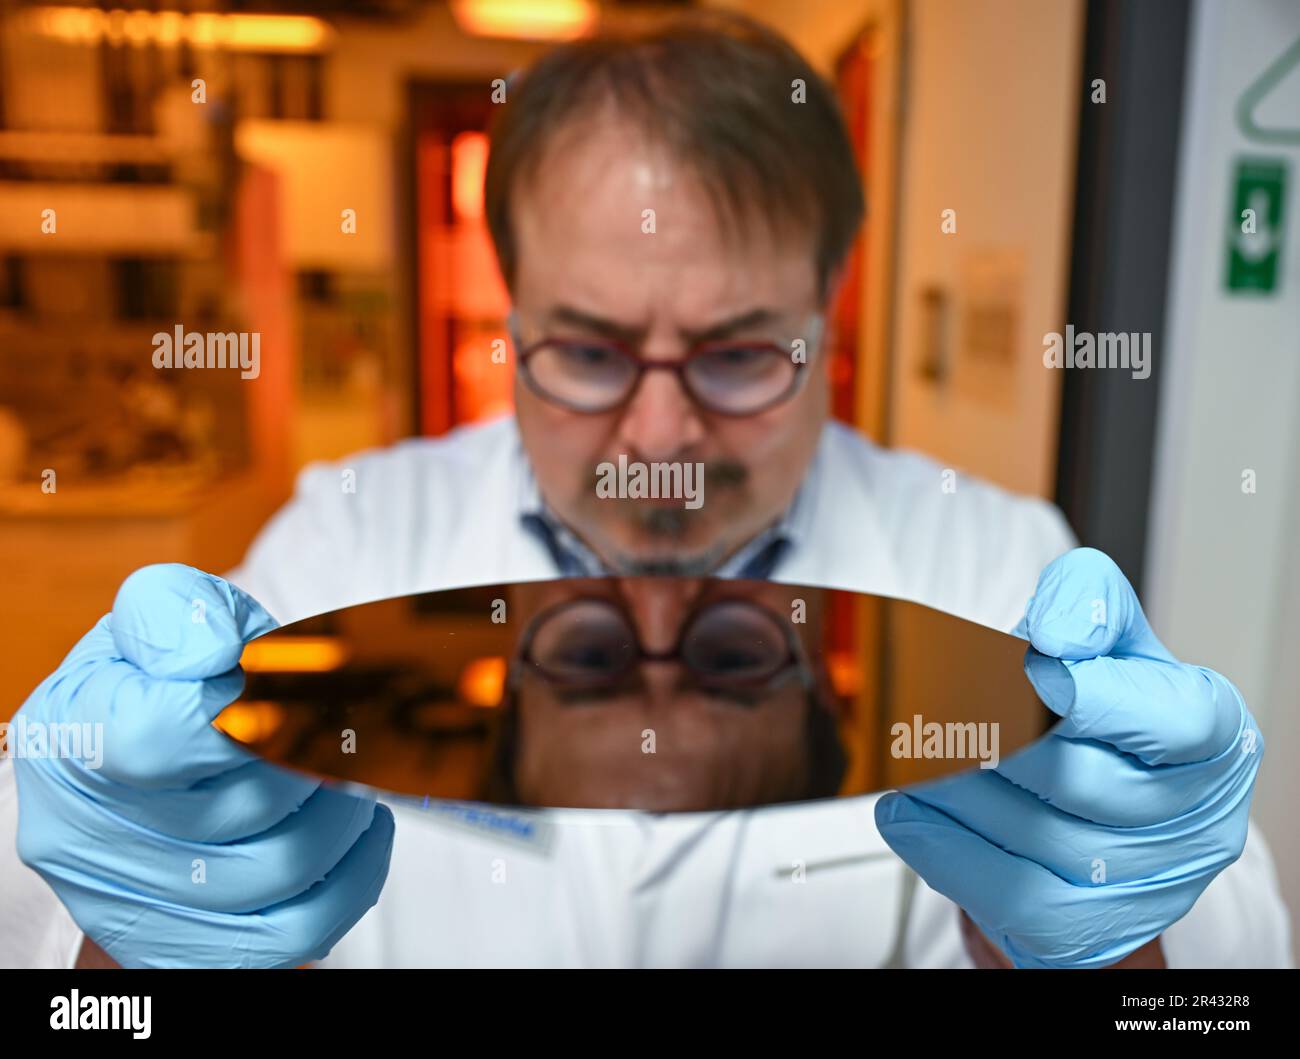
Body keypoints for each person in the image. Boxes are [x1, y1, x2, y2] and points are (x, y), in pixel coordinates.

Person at [1, 12, 1291, 969]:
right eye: (590, 353)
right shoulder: (342, 544)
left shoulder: (993, 564)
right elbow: (64, 963)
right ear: (510, 321)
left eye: (737, 354)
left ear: (829, 315)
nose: (662, 431)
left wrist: (1123, 943)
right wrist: (125, 951)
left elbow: (1224, 976)